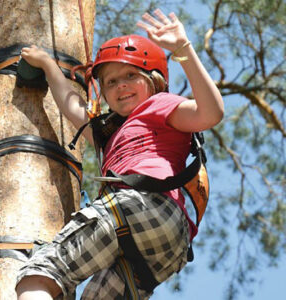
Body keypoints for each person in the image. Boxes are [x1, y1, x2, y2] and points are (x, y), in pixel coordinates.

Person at [16, 8, 223, 300]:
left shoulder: (160, 106)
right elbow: (73, 107)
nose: (120, 85)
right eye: (110, 82)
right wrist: (49, 66)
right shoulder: (110, 134)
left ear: (157, 82)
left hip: (142, 205)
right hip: (165, 244)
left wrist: (182, 49)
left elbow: (211, 112)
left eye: (130, 75)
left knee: (43, 271)